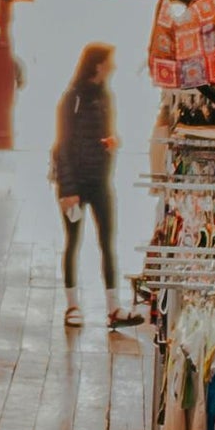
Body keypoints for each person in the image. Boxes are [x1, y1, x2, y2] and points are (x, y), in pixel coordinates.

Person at [53, 44, 137, 330]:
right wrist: (67, 189)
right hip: (74, 183)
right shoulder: (72, 99)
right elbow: (62, 146)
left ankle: (114, 308)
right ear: (97, 65)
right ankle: (72, 305)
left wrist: (111, 143)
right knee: (73, 243)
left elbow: (106, 134)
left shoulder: (105, 97)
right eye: (109, 62)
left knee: (107, 243)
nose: (113, 67)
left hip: (100, 181)